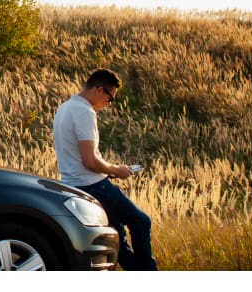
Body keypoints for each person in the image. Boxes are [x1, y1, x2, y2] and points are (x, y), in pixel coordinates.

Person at [52, 68, 158, 271]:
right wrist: (117, 170)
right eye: (110, 98)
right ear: (99, 90)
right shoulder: (84, 111)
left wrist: (108, 168)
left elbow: (80, 156)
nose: (109, 104)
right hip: (93, 185)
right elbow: (90, 161)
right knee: (141, 222)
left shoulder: (65, 107)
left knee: (118, 235)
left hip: (74, 184)